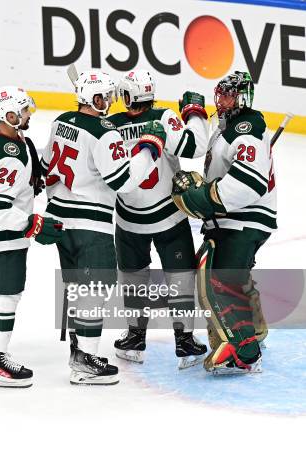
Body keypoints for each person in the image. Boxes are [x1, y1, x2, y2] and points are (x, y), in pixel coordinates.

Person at [41, 70, 158, 384]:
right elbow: (122, 181)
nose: (106, 101)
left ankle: (81, 348)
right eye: (100, 96)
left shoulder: (60, 121)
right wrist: (149, 150)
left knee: (80, 288)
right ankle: (85, 361)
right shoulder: (105, 132)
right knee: (96, 289)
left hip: (59, 217)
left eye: (109, 95)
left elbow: (45, 165)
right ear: (86, 96)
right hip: (90, 222)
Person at [0, 86, 64, 388]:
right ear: (8, 114)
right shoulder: (13, 157)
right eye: (24, 111)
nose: (29, 114)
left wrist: (28, 183)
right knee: (8, 292)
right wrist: (30, 223)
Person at [172, 71, 274, 374]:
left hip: (242, 218)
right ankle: (254, 331)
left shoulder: (248, 127)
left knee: (217, 280)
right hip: (236, 219)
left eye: (227, 96)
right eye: (219, 95)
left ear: (242, 97)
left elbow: (249, 183)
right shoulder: (226, 127)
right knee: (235, 278)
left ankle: (243, 350)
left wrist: (205, 196)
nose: (221, 101)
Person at [106, 70, 210, 368]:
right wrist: (194, 114)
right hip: (168, 216)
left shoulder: (110, 127)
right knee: (180, 275)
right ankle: (185, 340)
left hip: (128, 218)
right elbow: (195, 146)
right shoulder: (164, 119)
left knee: (133, 276)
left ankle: (135, 337)